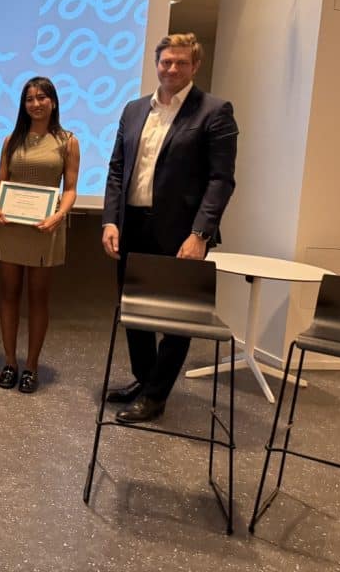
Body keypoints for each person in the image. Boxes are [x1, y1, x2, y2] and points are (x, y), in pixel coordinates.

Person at [101, 33, 238, 423]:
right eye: (166, 62)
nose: (172, 69)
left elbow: (221, 180)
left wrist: (200, 234)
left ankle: (156, 395)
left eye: (181, 62)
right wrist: (110, 219)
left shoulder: (214, 111)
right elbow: (117, 169)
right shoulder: (134, 110)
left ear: (195, 66)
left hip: (183, 235)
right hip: (132, 226)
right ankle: (145, 380)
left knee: (177, 318)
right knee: (135, 311)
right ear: (156, 64)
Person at [0, 77, 80, 393]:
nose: (36, 104)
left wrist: (60, 214)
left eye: (42, 97)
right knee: (9, 294)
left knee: (38, 298)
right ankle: (10, 362)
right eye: (29, 98)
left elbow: (70, 188)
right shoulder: (11, 139)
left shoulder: (68, 141)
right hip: (10, 226)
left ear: (53, 102)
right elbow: (0, 182)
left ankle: (31, 366)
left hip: (45, 227)